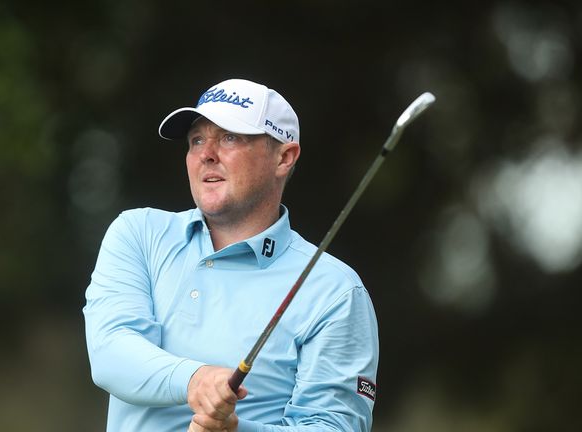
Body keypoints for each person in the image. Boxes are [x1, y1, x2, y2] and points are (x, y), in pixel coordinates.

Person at [83, 78, 379, 432]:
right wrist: (197, 380)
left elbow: (333, 427)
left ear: (284, 158)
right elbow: (111, 354)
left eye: (230, 137)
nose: (207, 153)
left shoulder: (335, 291)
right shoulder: (139, 234)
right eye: (196, 140)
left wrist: (236, 431)